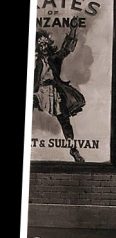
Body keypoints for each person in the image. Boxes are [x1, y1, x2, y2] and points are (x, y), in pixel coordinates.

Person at [33, 20, 86, 163]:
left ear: (49, 45)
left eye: (45, 44)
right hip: (36, 92)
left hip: (54, 92)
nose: (43, 47)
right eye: (40, 44)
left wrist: (73, 30)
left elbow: (66, 49)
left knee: (65, 121)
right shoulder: (34, 60)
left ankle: (73, 150)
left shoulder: (54, 58)